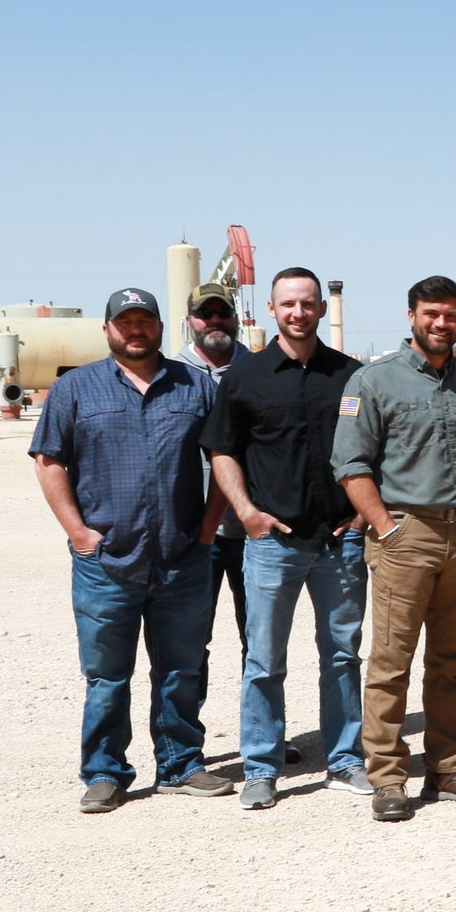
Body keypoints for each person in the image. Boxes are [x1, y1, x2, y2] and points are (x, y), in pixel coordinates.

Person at [32, 287, 230, 813]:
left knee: (182, 670)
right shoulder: (76, 388)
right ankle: (105, 771)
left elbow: (225, 457)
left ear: (161, 327)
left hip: (182, 558)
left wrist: (208, 528)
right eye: (126, 322)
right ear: (107, 330)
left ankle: (181, 764)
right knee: (106, 676)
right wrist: (78, 532)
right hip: (106, 562)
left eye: (145, 321)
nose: (136, 330)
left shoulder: (195, 386)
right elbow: (49, 461)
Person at [331, 275, 456, 822]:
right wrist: (385, 527)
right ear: (411, 316)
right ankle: (387, 775)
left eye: (450, 315)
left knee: (453, 661)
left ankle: (449, 766)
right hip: (406, 534)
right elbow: (350, 463)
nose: (441, 324)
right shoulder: (374, 380)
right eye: (431, 314)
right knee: (391, 661)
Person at [203, 268, 370, 808]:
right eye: (288, 304)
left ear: (321, 308)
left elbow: (376, 447)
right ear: (272, 310)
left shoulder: (350, 375)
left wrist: (363, 514)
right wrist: (247, 513)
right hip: (273, 543)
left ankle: (345, 760)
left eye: (307, 303)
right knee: (265, 660)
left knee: (342, 655)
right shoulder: (246, 376)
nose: (298, 312)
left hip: (340, 541)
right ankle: (260, 767)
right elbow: (222, 450)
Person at [179, 281, 252, 660]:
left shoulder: (260, 372)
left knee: (259, 642)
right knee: (189, 642)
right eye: (204, 314)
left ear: (235, 317)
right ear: (190, 320)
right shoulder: (171, 376)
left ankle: (255, 705)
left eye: (222, 312)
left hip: (254, 534)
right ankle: (188, 705)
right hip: (193, 537)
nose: (214, 320)